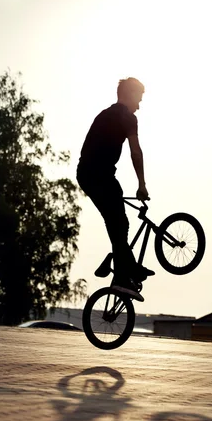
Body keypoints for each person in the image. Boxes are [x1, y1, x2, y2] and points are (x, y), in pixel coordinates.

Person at [76, 77, 154, 302]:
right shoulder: (128, 118)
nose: (139, 105)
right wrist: (141, 184)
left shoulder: (104, 114)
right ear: (129, 94)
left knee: (117, 222)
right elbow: (135, 152)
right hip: (98, 175)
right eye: (139, 98)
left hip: (90, 173)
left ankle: (125, 264)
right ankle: (122, 273)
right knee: (119, 222)